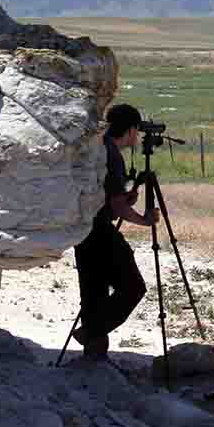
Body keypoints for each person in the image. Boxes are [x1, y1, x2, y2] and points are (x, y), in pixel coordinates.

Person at [72, 103, 158, 359]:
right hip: (99, 232)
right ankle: (90, 332)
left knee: (93, 291)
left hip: (83, 229)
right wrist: (144, 220)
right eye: (137, 131)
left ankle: (94, 355)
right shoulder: (112, 154)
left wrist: (122, 199)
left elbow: (112, 200)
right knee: (133, 287)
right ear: (130, 130)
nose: (139, 137)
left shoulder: (99, 149)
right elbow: (117, 206)